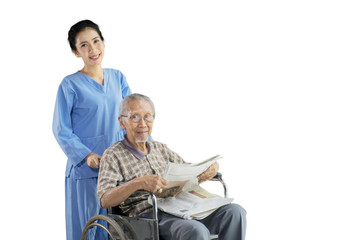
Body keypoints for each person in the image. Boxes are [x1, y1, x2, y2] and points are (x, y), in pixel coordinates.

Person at [97, 93, 247, 240]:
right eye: (135, 117)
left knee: (235, 212)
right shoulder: (112, 155)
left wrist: (210, 168)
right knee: (195, 230)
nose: (142, 123)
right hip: (149, 215)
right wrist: (139, 183)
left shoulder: (160, 149)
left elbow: (187, 170)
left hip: (182, 206)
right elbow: (105, 199)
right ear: (122, 122)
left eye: (147, 116)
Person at [52, 20, 132, 240]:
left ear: (103, 42)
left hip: (119, 167)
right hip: (88, 172)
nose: (93, 49)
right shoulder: (70, 85)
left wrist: (148, 149)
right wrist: (86, 155)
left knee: (119, 230)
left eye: (96, 41)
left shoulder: (118, 77)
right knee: (90, 229)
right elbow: (61, 130)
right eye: (84, 45)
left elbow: (133, 119)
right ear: (76, 52)